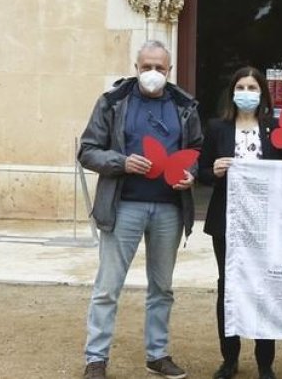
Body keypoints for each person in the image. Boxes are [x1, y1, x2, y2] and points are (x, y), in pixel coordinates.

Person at [78, 40, 203, 379]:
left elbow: (196, 149)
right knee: (108, 286)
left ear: (169, 70)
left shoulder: (184, 104)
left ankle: (157, 354)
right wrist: (121, 162)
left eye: (160, 68)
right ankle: (96, 358)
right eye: (147, 66)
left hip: (169, 209)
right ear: (135, 67)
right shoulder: (113, 102)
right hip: (123, 206)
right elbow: (87, 150)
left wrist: (190, 174)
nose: (153, 73)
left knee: (162, 287)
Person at [198, 67, 282, 379]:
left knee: (264, 288)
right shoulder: (217, 127)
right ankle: (230, 358)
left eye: (252, 87)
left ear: (262, 93)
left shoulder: (275, 129)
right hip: (226, 221)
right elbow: (202, 171)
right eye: (241, 86)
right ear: (232, 91)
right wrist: (215, 170)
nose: (246, 92)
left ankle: (265, 361)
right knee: (229, 287)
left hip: (265, 222)